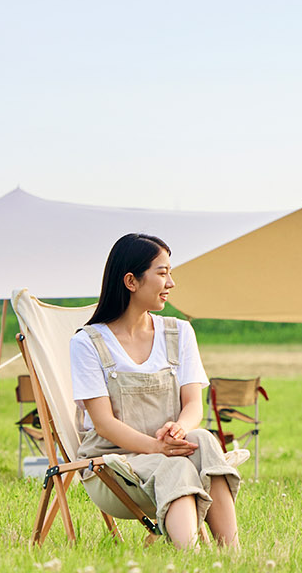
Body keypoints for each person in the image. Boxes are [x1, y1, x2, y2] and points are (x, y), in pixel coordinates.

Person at [70, 233, 244, 549]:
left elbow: (193, 405)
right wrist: (157, 447)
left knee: (203, 439)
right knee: (176, 464)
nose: (171, 283)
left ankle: (231, 556)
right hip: (112, 466)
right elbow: (104, 424)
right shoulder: (88, 343)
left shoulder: (179, 332)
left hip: (169, 450)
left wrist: (179, 429)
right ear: (131, 281)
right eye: (162, 273)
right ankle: (190, 559)